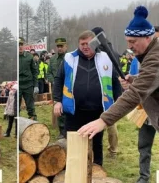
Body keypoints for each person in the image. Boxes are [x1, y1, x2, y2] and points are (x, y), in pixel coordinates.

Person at [78, 6, 159, 179]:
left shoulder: (158, 57)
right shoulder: (156, 46)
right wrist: (135, 79)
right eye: (127, 41)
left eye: (133, 42)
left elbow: (134, 95)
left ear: (147, 37)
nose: (129, 47)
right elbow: (158, 79)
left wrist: (103, 120)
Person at [53, 30, 121, 166]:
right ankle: (73, 170)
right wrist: (57, 101)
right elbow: (59, 79)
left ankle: (96, 169)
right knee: (73, 141)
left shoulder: (106, 58)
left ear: (94, 43)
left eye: (88, 43)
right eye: (82, 44)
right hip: (74, 110)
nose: (85, 46)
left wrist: (118, 102)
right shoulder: (69, 58)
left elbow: (115, 82)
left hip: (97, 111)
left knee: (96, 143)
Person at [129, 25, 159, 182]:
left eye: (156, 39)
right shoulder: (138, 59)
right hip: (144, 111)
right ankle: (143, 176)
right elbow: (139, 82)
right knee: (144, 145)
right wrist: (131, 81)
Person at [91, 27, 121, 158]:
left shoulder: (102, 51)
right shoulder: (112, 49)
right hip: (113, 91)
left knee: (108, 121)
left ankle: (110, 149)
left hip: (106, 91)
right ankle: (113, 149)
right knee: (110, 121)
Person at [47, 38, 68, 139]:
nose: (59, 48)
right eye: (58, 46)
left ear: (66, 46)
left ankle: (70, 128)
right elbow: (49, 73)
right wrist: (54, 81)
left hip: (68, 87)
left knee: (68, 107)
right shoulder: (52, 59)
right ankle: (62, 130)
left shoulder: (70, 57)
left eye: (61, 46)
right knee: (58, 109)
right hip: (57, 88)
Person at [19, 37, 39, 120]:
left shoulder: (30, 57)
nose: (19, 46)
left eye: (21, 44)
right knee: (15, 107)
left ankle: (33, 121)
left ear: (24, 46)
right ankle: (15, 125)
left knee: (30, 106)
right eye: (18, 45)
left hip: (28, 85)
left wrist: (36, 85)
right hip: (18, 86)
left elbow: (35, 72)